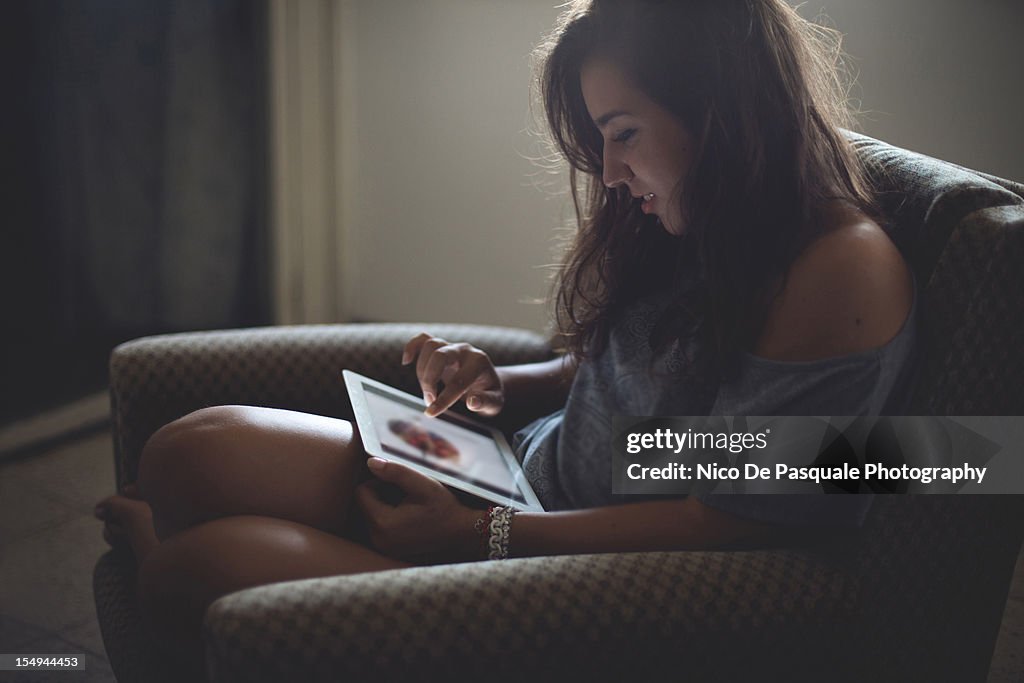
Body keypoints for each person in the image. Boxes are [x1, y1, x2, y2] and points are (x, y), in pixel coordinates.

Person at [94, 0, 916, 675]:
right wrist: (500, 386)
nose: (610, 173)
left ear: (720, 107)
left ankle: (172, 571)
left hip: (568, 577)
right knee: (187, 453)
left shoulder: (838, 271)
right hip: (513, 478)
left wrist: (475, 539)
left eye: (623, 132)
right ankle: (205, 561)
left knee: (191, 573)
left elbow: (726, 521)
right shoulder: (710, 209)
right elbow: (618, 381)